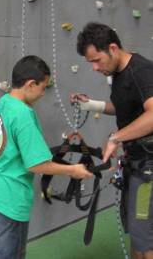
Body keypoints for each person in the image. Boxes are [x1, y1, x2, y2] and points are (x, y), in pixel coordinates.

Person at [0, 55, 93, 259]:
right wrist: (73, 170)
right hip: (10, 196)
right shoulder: (23, 114)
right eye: (43, 87)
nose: (43, 93)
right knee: (10, 253)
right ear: (30, 84)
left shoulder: (1, 104)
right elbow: (37, 165)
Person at [71, 22, 153, 259]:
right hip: (135, 164)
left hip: (148, 168)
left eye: (97, 60)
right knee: (137, 233)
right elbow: (125, 108)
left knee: (145, 237)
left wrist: (116, 137)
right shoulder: (118, 74)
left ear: (113, 48)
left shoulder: (141, 71)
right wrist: (91, 105)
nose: (95, 68)